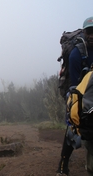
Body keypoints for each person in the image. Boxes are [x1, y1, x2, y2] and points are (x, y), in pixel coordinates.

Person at [56, 16, 93, 176]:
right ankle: (63, 165)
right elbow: (75, 85)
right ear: (84, 32)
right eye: (89, 32)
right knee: (74, 124)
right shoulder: (76, 54)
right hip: (76, 90)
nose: (92, 35)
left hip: (91, 89)